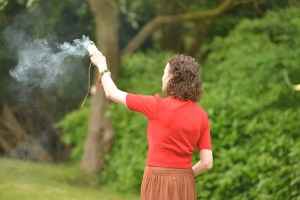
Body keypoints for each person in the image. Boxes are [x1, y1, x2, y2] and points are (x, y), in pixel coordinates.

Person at [88, 44, 213, 200]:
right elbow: (207, 162)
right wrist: (184, 175)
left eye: (164, 73)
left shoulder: (157, 105)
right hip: (185, 182)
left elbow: (112, 93)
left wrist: (102, 65)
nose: (162, 77)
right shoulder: (201, 116)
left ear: (171, 77)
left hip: (157, 179)